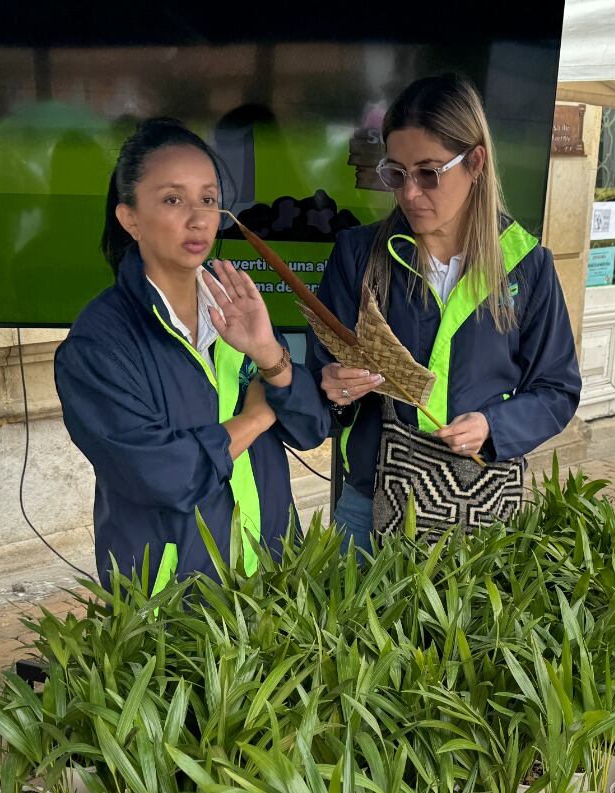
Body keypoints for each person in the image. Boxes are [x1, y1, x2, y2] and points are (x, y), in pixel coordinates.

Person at [311, 74, 581, 551]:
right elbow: (319, 373)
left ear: (475, 161)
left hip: (480, 506)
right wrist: (333, 386)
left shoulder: (525, 265)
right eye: (396, 174)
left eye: (429, 173)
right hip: (370, 501)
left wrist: (493, 427)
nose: (410, 193)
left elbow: (556, 389)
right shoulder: (359, 254)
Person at [55, 119, 329, 587]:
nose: (198, 217)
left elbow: (310, 429)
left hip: (274, 579)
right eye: (172, 200)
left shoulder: (233, 306)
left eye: (207, 199)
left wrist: (268, 354)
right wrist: (256, 419)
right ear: (130, 219)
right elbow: (162, 475)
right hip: (175, 597)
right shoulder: (99, 345)